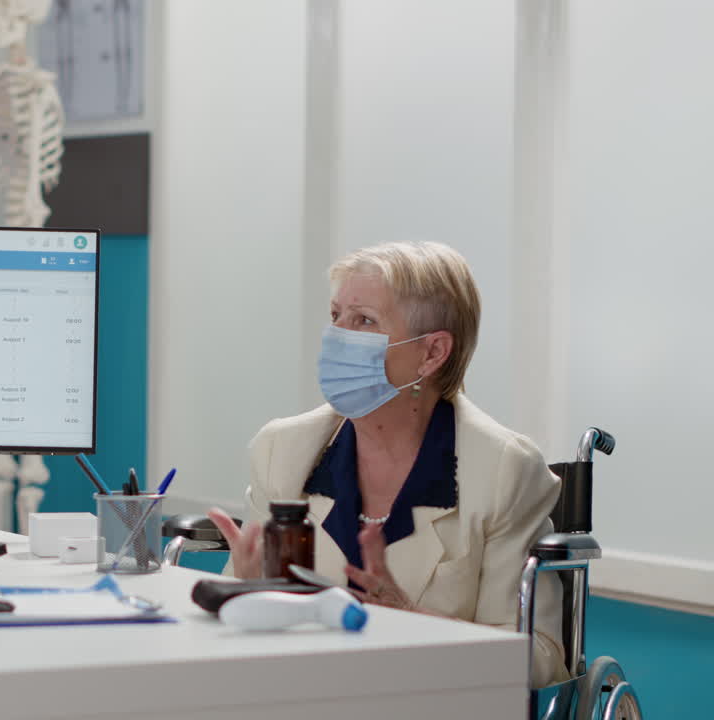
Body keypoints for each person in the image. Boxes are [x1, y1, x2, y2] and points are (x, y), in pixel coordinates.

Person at [208, 241, 569, 687]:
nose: (338, 335)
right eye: (336, 315)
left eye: (364, 321)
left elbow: (541, 659)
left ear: (432, 353)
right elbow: (239, 633)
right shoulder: (282, 450)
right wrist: (244, 595)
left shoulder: (504, 471)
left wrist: (414, 624)